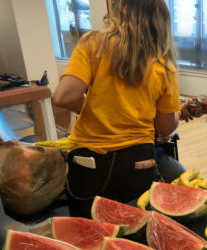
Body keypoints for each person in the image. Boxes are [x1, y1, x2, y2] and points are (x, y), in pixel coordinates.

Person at [52, 0, 180, 217]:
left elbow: (63, 96)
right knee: (133, 234)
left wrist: (93, 107)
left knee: (88, 234)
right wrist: (176, 113)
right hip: (138, 162)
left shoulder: (93, 44)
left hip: (89, 162)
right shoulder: (164, 65)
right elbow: (166, 128)